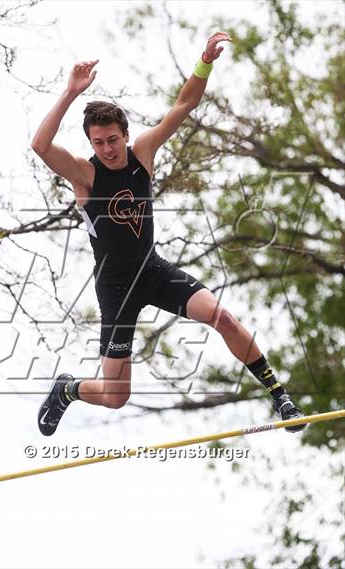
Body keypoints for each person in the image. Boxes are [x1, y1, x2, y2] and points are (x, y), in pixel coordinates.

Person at [31, 32, 305, 436]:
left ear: (125, 134)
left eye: (112, 140)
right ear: (90, 143)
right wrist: (70, 92)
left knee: (222, 316)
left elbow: (185, 103)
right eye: (98, 142)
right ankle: (67, 390)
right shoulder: (85, 174)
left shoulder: (143, 153)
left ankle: (280, 396)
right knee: (114, 396)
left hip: (154, 271)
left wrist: (205, 62)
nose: (107, 149)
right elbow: (40, 145)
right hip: (116, 288)